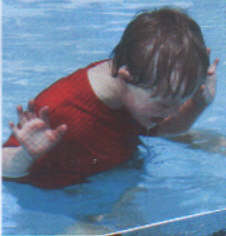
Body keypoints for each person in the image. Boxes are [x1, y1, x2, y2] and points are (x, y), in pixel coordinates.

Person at [2, 7, 219, 189]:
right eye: (165, 103)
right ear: (126, 76)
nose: (173, 111)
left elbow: (164, 128)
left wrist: (199, 102)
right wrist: (26, 153)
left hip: (110, 172)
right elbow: (4, 169)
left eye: (181, 100)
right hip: (64, 198)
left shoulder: (139, 86)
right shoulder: (61, 109)